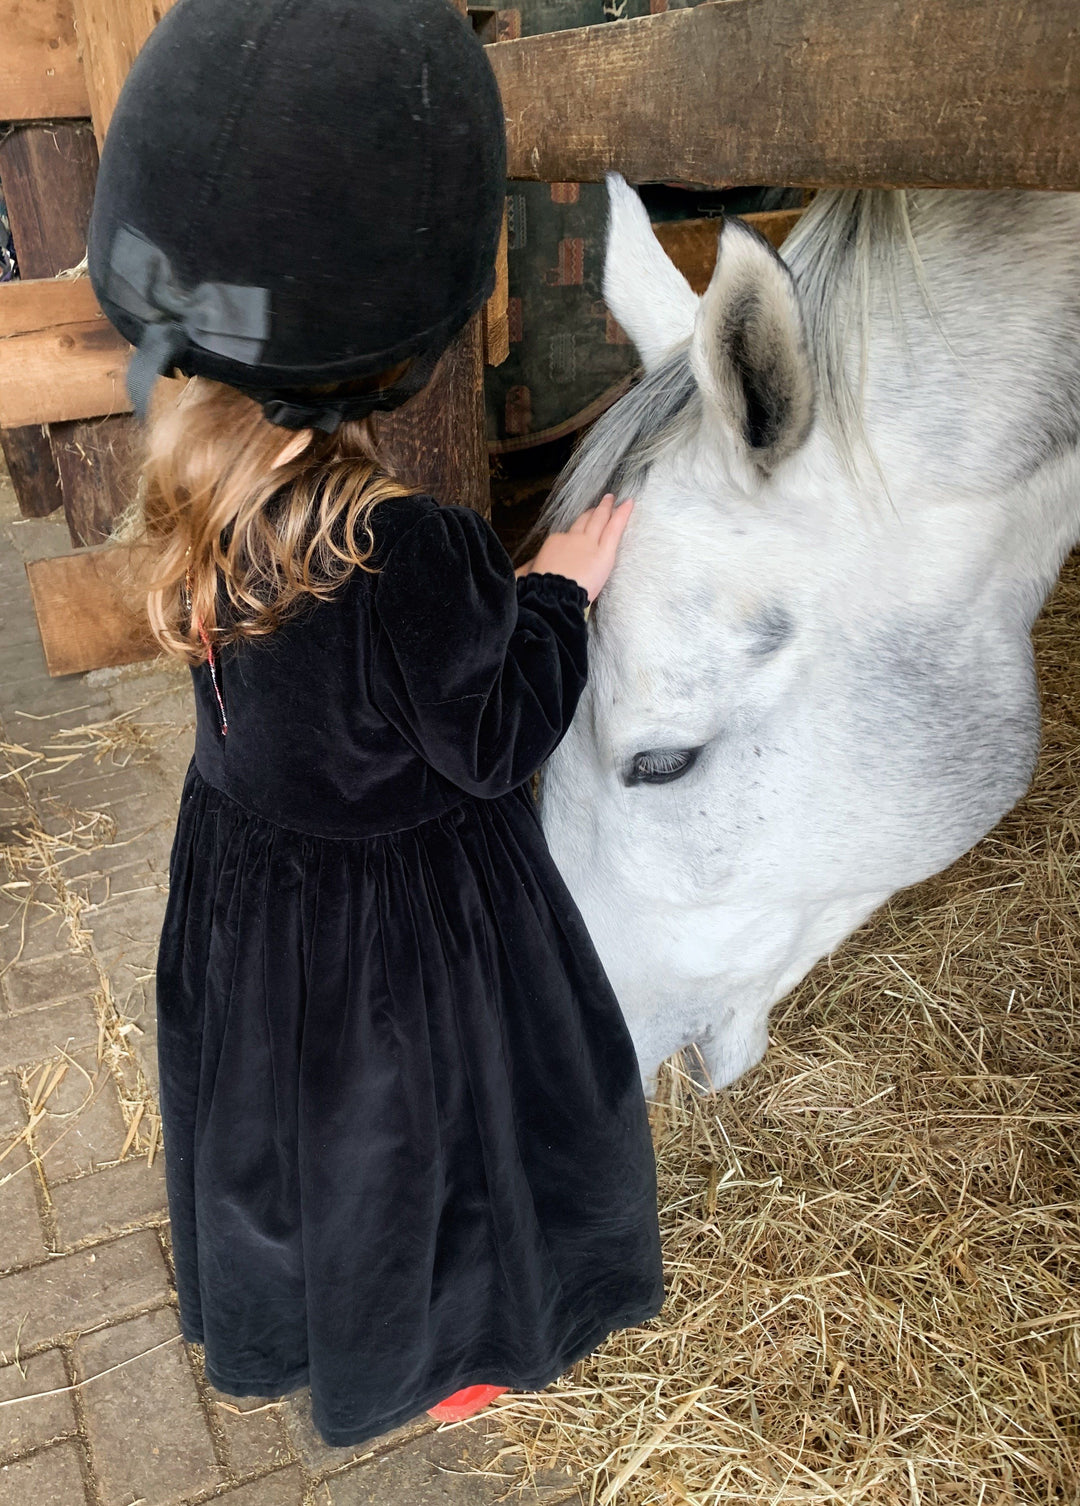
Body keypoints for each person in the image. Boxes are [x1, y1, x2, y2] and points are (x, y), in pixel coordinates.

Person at [87, 0, 663, 1451]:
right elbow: (495, 740)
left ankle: (299, 1322)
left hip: (256, 896)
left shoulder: (196, 492)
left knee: (300, 1132)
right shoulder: (410, 550)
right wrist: (556, 596)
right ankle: (451, 1345)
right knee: (426, 1135)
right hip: (408, 929)